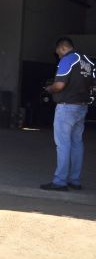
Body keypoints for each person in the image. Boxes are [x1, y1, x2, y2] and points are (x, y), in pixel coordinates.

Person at [40, 37, 94, 191]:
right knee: (77, 144)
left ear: (62, 48)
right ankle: (74, 180)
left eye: (57, 52)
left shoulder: (67, 59)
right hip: (82, 107)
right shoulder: (88, 61)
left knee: (63, 144)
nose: (57, 55)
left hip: (66, 108)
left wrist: (49, 89)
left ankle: (60, 182)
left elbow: (59, 85)